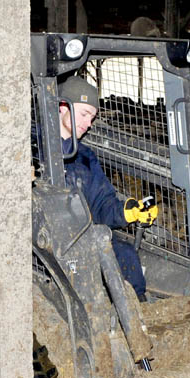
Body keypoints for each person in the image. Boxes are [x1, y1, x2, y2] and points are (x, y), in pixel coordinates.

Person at [57, 75, 157, 301]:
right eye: (84, 114)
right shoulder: (33, 148)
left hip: (83, 237)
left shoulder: (84, 156)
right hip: (49, 244)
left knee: (125, 253)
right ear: (63, 107)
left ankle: (137, 315)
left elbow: (102, 203)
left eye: (92, 117)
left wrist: (129, 211)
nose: (89, 123)